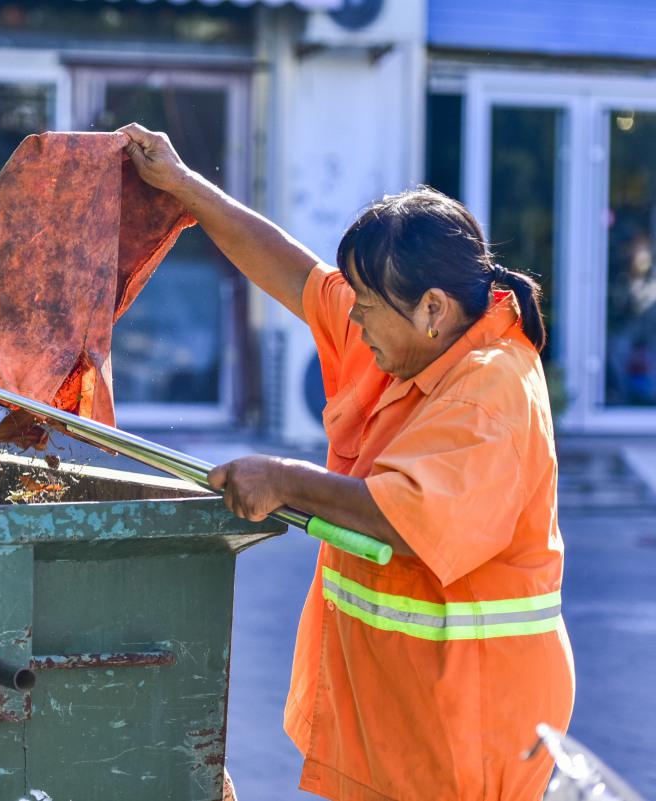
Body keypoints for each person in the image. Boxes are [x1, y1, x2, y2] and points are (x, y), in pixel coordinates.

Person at [121, 123, 574, 801]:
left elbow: (406, 518)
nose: (351, 319)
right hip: (399, 704)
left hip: (471, 719)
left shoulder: (491, 388)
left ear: (431, 308)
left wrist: (282, 479)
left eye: (364, 306)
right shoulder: (409, 334)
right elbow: (295, 273)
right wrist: (183, 186)